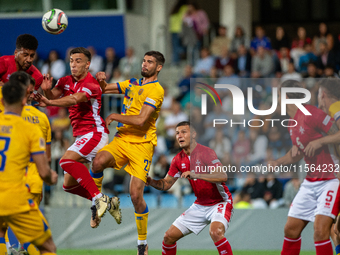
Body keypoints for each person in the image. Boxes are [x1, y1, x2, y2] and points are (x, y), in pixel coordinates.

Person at [33, 47, 118, 229]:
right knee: (68, 185)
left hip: (95, 133)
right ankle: (107, 202)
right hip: (81, 136)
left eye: (78, 61)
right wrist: (47, 92)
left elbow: (73, 100)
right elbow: (54, 96)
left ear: (88, 64)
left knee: (64, 161)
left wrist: (48, 102)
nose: (73, 64)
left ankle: (98, 198)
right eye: (71, 60)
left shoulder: (92, 84)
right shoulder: (65, 80)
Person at [91, 51, 165, 255]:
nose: (145, 64)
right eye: (144, 60)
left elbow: (142, 120)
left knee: (135, 195)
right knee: (97, 162)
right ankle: (98, 202)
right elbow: (104, 90)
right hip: (122, 140)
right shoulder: (133, 82)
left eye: (150, 62)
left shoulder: (156, 90)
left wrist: (115, 115)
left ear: (158, 67)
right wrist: (101, 80)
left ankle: (142, 243)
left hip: (142, 145)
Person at [268, 80, 340, 255]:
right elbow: (299, 152)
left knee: (320, 231)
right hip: (310, 181)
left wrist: (319, 142)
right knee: (290, 229)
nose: (276, 100)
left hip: (330, 180)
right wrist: (277, 162)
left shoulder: (312, 113)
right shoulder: (293, 122)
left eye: (278, 96)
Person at [146, 121, 233, 255]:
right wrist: (151, 181)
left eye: (183, 132)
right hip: (200, 204)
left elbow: (222, 176)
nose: (179, 136)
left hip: (219, 202)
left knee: (215, 232)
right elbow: (166, 184)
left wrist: (196, 174)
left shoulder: (206, 152)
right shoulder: (177, 160)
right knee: (168, 237)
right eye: (177, 133)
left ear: (193, 134)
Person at [0, 80, 58, 255]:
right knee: (46, 246)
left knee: (1, 233)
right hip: (16, 195)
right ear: (24, 101)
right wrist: (51, 178)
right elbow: (44, 169)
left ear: (2, 101)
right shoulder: (32, 127)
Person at [303, 79, 340, 255]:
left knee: (331, 229)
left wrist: (320, 142)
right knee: (335, 230)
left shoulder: (335, 108)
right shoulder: (327, 115)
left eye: (318, 93)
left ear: (323, 94)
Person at [0, 34, 43, 113]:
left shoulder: (37, 77)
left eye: (32, 56)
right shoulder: (2, 63)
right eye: (25, 55)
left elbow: (28, 99)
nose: (29, 60)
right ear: (16, 53)